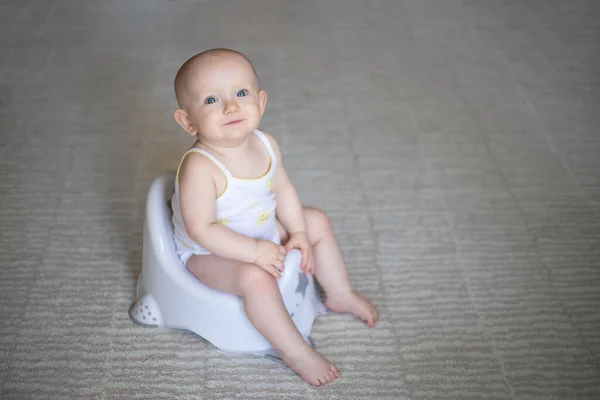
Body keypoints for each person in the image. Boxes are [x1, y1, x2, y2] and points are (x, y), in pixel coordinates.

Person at [170, 48, 378, 386]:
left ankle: (340, 293)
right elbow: (201, 229)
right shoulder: (200, 167)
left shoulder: (266, 144)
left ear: (261, 102)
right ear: (187, 121)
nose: (231, 106)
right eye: (211, 100)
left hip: (261, 230)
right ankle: (295, 351)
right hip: (206, 254)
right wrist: (254, 253)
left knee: (317, 221)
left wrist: (297, 231)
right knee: (255, 279)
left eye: (241, 93)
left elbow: (282, 190)